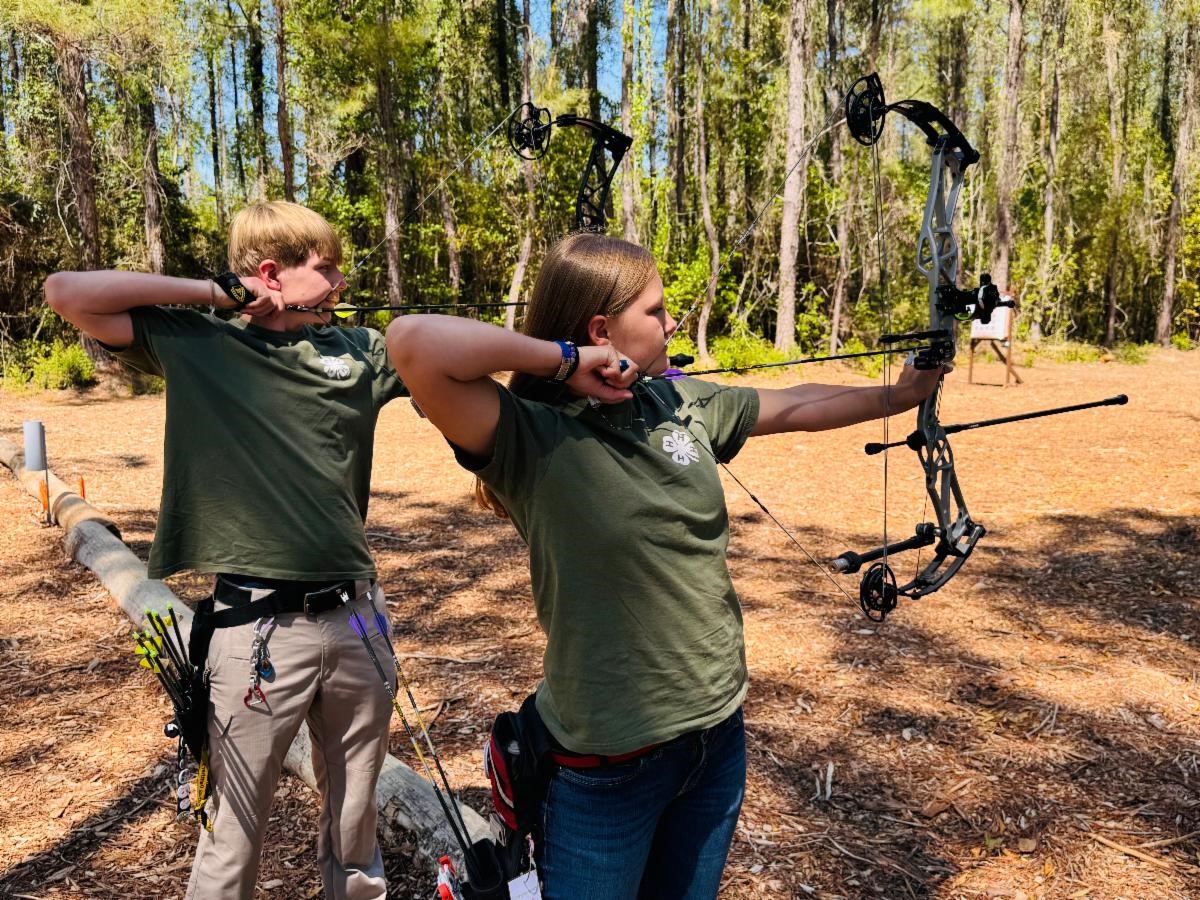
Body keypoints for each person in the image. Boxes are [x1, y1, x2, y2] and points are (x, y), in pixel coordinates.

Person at [385, 232, 944, 900]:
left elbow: (798, 404)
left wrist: (903, 393)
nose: (672, 322)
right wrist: (566, 361)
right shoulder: (527, 433)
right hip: (606, 766)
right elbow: (412, 342)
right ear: (602, 331)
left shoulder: (677, 402)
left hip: (715, 737)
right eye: (655, 310)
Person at [44, 200, 407, 900]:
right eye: (325, 267)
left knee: (355, 830)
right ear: (270, 273)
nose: (340, 281)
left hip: (358, 619)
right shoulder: (197, 340)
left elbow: (445, 352)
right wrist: (215, 293)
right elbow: (67, 293)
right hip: (256, 631)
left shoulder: (359, 350)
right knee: (231, 840)